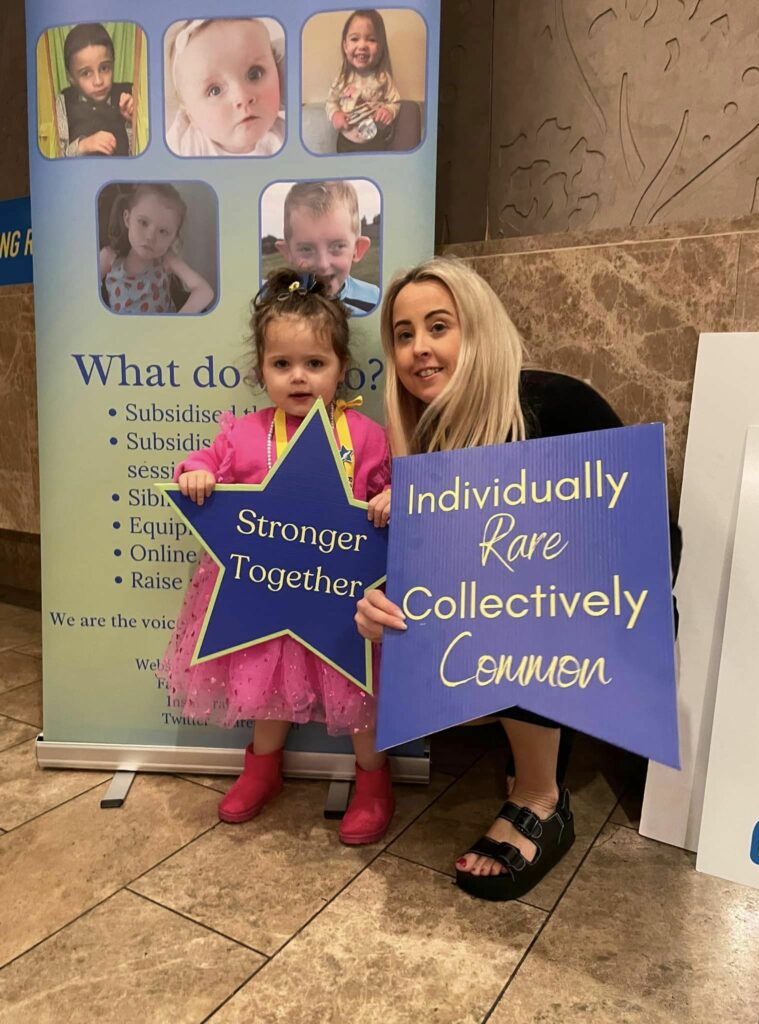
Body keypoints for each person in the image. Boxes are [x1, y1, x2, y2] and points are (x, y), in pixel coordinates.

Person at [354, 256, 682, 901]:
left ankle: (541, 794)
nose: (419, 348)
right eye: (403, 333)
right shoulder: (430, 438)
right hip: (526, 621)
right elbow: (442, 565)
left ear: (477, 330)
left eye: (438, 326)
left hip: (610, 612)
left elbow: (649, 547)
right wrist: (385, 601)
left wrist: (540, 581)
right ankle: (533, 749)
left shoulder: (554, 404)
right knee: (450, 612)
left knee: (508, 605)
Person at [160, 269, 394, 844]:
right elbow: (202, 464)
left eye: (315, 364)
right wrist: (195, 476)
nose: (298, 378)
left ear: (341, 367)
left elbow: (393, 488)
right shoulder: (244, 434)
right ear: (261, 369)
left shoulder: (364, 435)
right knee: (267, 685)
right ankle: (262, 769)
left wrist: (393, 496)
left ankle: (373, 780)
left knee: (358, 691)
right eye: (282, 364)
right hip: (261, 591)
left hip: (341, 600)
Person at [166, 18, 284, 157]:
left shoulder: (287, 136)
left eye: (255, 74)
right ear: (191, 116)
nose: (242, 97)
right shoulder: (185, 144)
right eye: (214, 90)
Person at [99, 184, 214, 315]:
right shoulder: (108, 257)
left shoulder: (167, 259)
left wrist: (175, 324)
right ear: (127, 219)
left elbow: (205, 291)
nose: (150, 237)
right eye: (143, 222)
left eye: (163, 231)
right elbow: (80, 295)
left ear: (173, 239)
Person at [276, 181, 380, 316]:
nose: (323, 265)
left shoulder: (374, 300)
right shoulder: (272, 301)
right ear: (287, 252)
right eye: (306, 249)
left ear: (357, 249)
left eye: (337, 246)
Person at [326, 9, 400, 154]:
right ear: (345, 46)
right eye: (354, 39)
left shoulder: (383, 78)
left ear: (380, 47)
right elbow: (331, 102)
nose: (362, 46)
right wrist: (335, 114)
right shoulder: (342, 79)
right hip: (346, 142)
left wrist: (388, 111)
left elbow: (395, 101)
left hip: (376, 141)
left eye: (371, 40)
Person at [56, 22, 135, 157]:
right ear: (71, 77)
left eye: (104, 68)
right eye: (86, 73)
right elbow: (56, 156)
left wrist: (132, 120)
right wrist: (83, 146)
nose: (98, 81)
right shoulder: (62, 103)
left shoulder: (130, 94)